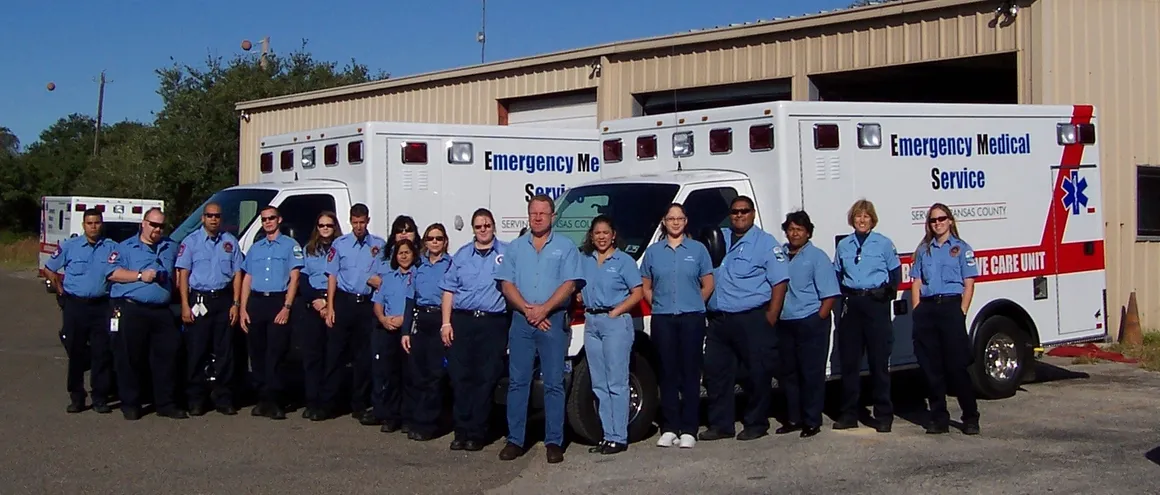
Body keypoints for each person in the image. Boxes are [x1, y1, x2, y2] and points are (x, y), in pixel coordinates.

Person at [495, 195, 583, 464]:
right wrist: (527, 309)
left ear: (553, 217)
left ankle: (554, 441)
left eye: (543, 213)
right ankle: (515, 440)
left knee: (554, 383)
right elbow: (506, 284)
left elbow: (570, 284)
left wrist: (544, 309)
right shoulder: (515, 248)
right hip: (522, 321)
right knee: (518, 382)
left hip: (552, 321)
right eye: (533, 213)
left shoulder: (566, 247)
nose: (537, 217)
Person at [701, 196, 789, 442]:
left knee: (756, 374)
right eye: (735, 212)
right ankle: (721, 425)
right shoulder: (719, 239)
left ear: (752, 213)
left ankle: (756, 422)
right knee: (716, 373)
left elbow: (780, 282)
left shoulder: (765, 243)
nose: (739, 216)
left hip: (751, 317)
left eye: (744, 211)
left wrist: (771, 316)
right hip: (719, 319)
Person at [639, 203, 714, 449]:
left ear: (686, 221)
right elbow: (646, 286)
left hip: (691, 318)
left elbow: (708, 284)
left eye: (679, 218)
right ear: (664, 221)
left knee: (690, 374)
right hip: (663, 319)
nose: (675, 222)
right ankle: (670, 427)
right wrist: (660, 304)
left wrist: (693, 303)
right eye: (671, 218)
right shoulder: (653, 252)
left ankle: (689, 428)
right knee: (667, 373)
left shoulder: (698, 250)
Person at [102, 207, 186, 420]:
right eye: (153, 224)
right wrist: (140, 275)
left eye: (161, 225)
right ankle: (131, 403)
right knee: (131, 358)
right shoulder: (125, 247)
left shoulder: (170, 247)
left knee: (168, 356)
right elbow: (112, 273)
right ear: (143, 223)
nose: (157, 229)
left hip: (161, 311)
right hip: (133, 308)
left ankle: (165, 403)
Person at [440, 208, 510, 452]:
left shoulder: (506, 253)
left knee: (485, 378)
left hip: (492, 323)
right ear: (473, 229)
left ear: (493, 227)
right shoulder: (461, 256)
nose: (483, 230)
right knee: (460, 378)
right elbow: (449, 290)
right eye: (479, 226)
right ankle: (461, 430)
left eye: (487, 225)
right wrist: (446, 323)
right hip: (463, 322)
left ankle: (477, 433)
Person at [909, 203, 981, 435]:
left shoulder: (961, 249)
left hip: (951, 308)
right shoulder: (923, 251)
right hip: (928, 310)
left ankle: (970, 417)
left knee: (957, 368)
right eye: (933, 220)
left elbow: (969, 283)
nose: (937, 223)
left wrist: (961, 311)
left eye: (941, 218)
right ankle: (939, 417)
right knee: (932, 369)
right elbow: (917, 281)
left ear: (950, 220)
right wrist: (918, 308)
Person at [576, 215, 643, 455]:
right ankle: (607, 435)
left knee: (617, 381)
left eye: (606, 233)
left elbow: (637, 292)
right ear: (591, 236)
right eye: (597, 233)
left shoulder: (624, 261)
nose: (601, 237)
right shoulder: (585, 260)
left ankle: (619, 436)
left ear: (613, 235)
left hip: (615, 323)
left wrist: (617, 311)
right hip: (592, 323)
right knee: (599, 383)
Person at [832, 199, 901, 432]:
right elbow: (837, 274)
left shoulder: (883, 244)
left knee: (878, 362)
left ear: (873, 220)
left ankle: (883, 415)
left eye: (866, 216)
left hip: (875, 303)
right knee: (850, 362)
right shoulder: (844, 246)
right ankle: (849, 414)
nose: (862, 220)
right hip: (853, 303)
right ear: (852, 219)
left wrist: (885, 296)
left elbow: (895, 274)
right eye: (858, 216)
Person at [41, 208, 118, 414]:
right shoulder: (70, 246)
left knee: (102, 352)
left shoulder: (112, 248)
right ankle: (76, 397)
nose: (94, 226)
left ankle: (100, 397)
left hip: (101, 305)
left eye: (97, 223)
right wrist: (59, 290)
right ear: (84, 225)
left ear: (102, 224)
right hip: (75, 305)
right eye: (90, 223)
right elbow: (50, 268)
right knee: (75, 352)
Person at [175, 202, 244, 416]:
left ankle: (223, 398)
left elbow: (237, 274)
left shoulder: (229, 242)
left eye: (217, 216)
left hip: (223, 301)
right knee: (197, 351)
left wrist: (235, 304)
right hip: (199, 301)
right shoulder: (191, 242)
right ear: (203, 218)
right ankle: (196, 399)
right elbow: (183, 275)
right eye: (209, 215)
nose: (214, 219)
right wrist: (185, 305)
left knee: (225, 353)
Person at [776, 211, 840, 438]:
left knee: (811, 373)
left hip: (810, 320)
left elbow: (830, 294)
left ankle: (812, 420)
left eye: (799, 230)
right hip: (785, 322)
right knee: (789, 374)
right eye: (791, 229)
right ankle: (794, 418)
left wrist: (819, 318)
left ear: (808, 233)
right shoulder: (779, 255)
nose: (794, 233)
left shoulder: (817, 257)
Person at [322, 203, 386, 421]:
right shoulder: (340, 245)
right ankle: (329, 403)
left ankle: (359, 403)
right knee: (335, 354)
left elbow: (385, 274)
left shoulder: (378, 245)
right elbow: (331, 276)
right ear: (350, 221)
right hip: (344, 302)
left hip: (367, 304)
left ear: (368, 220)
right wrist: (330, 306)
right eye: (355, 222)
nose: (358, 226)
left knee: (363, 357)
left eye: (362, 222)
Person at [239, 206, 303, 420]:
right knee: (257, 354)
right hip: (257, 302)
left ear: (279, 219)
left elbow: (295, 278)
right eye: (264, 219)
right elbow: (247, 278)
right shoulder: (256, 248)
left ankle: (276, 401)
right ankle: (262, 399)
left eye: (271, 218)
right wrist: (242, 309)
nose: (268, 222)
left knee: (276, 354)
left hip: (278, 302)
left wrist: (286, 306)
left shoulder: (290, 246)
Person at [401, 223, 453, 441]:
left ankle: (429, 424)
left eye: (438, 238)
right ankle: (416, 419)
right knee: (418, 373)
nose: (434, 242)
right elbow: (410, 299)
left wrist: (447, 324)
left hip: (440, 320)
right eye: (430, 238)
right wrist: (405, 331)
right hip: (420, 320)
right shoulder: (418, 266)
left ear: (445, 241)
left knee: (435, 375)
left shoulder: (451, 265)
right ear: (424, 242)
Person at [296, 211, 342, 421]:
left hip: (334, 303)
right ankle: (312, 400)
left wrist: (328, 303)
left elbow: (343, 277)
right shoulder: (309, 249)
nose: (325, 229)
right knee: (312, 357)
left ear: (335, 227)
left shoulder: (341, 248)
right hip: (313, 305)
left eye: (329, 225)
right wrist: (315, 301)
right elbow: (303, 279)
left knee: (332, 356)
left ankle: (328, 403)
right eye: (321, 225)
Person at [369, 238, 417, 432]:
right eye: (400, 253)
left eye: (407, 252)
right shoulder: (388, 277)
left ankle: (408, 417)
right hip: (388, 331)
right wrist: (383, 319)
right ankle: (391, 416)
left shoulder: (417, 276)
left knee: (410, 376)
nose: (403, 256)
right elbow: (378, 303)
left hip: (409, 331)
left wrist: (402, 320)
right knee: (390, 374)